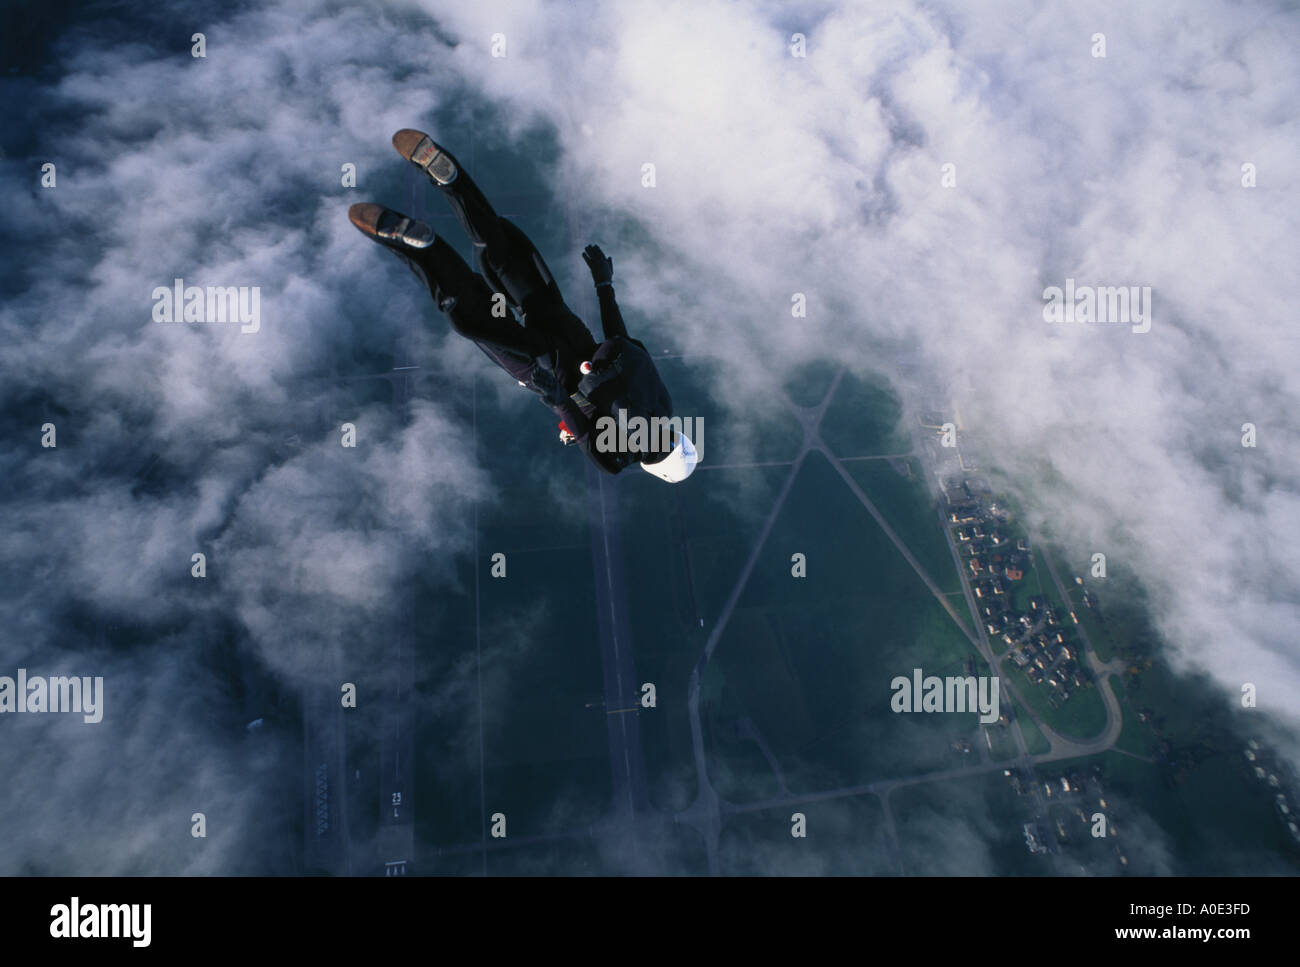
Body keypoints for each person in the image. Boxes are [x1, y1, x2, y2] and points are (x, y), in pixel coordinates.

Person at [347, 129, 698, 482]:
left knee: (500, 253)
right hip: (540, 366)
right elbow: (579, 419)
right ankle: (425, 249)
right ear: (655, 467)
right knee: (473, 316)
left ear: (676, 438)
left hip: (567, 329)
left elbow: (620, 338)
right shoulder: (618, 458)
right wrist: (561, 402)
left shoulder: (661, 403)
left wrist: (603, 282)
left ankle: (452, 181)